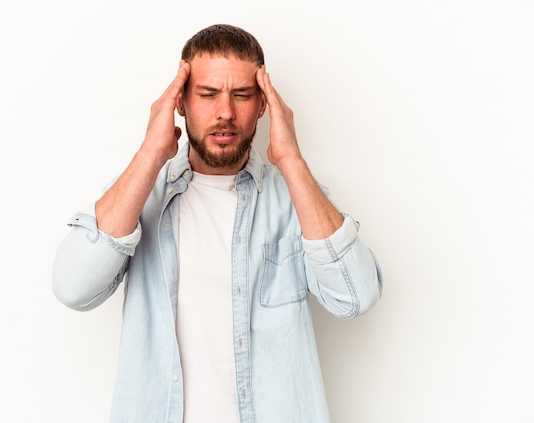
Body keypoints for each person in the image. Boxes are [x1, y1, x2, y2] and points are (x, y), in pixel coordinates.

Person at [53, 23, 382, 423]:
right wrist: (151, 152)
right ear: (181, 103)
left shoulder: (295, 200)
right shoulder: (142, 195)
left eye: (242, 95)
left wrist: (291, 159)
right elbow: (73, 287)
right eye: (207, 94)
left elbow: (356, 297)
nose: (225, 112)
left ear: (263, 105)